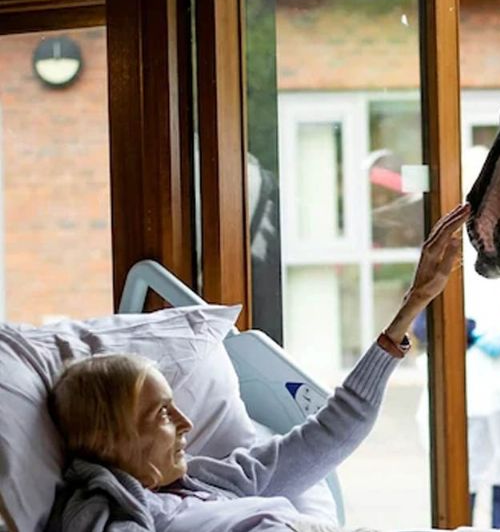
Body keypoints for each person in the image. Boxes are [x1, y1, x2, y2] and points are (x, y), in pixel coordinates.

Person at [45, 203, 472, 532]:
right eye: (161, 413)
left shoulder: (207, 480)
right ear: (111, 437)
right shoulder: (105, 517)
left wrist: (414, 302)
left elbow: (330, 435)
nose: (186, 423)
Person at [414, 146, 500, 530]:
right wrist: (470, 331)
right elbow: (425, 320)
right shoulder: (443, 248)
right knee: (463, 475)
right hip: (463, 382)